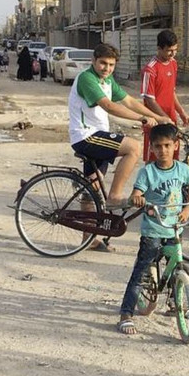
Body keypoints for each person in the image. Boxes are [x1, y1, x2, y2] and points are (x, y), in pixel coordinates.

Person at [68, 43, 168, 237]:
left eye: (111, 65)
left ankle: (89, 238)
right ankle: (115, 196)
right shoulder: (87, 79)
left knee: (92, 189)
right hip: (86, 136)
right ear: (93, 61)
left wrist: (158, 116)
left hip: (95, 134)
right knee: (133, 147)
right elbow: (109, 106)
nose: (107, 68)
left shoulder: (107, 80)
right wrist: (141, 119)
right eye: (103, 63)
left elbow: (128, 101)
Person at [117, 123, 189, 335]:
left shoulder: (182, 169)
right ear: (151, 148)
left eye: (167, 146)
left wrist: (188, 207)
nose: (163, 151)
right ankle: (126, 313)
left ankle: (175, 300)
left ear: (176, 146)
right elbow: (138, 191)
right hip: (153, 229)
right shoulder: (148, 172)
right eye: (158, 146)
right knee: (141, 272)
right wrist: (137, 198)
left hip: (174, 228)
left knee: (179, 266)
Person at [140, 29, 189, 161]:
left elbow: (172, 91)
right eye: (169, 50)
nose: (173, 53)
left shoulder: (173, 63)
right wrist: (163, 117)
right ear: (159, 48)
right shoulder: (150, 69)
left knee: (173, 155)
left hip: (170, 117)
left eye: (175, 50)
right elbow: (149, 99)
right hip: (155, 119)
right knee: (154, 157)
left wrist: (181, 112)